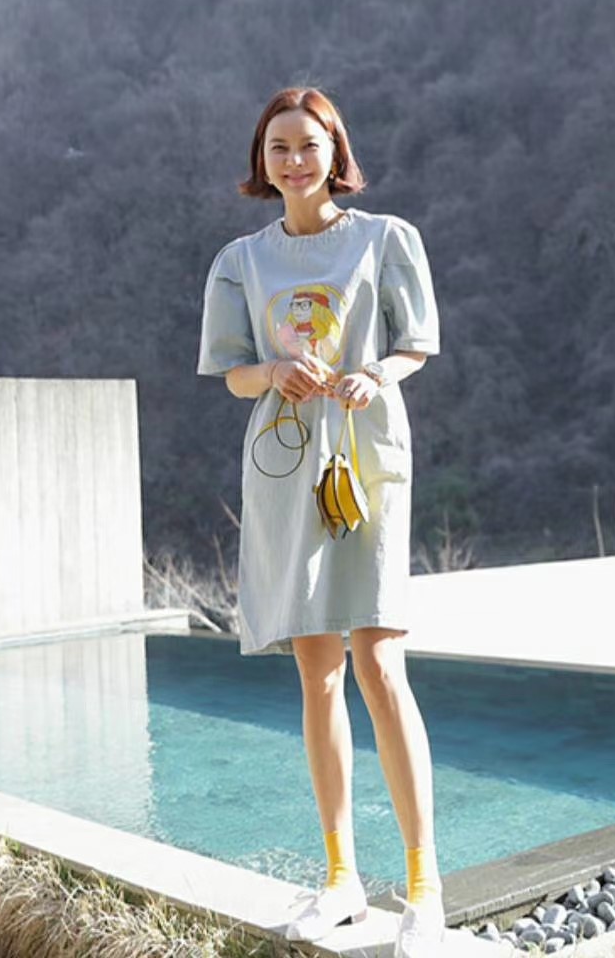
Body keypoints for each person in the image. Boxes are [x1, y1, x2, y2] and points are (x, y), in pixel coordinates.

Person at [196, 86, 444, 958]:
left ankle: (423, 889)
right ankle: (341, 881)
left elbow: (416, 343)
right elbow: (232, 372)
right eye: (279, 148)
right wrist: (273, 373)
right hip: (285, 466)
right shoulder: (240, 261)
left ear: (336, 152)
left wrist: (376, 373)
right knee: (319, 674)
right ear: (261, 163)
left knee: (379, 661)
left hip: (367, 462)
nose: (295, 161)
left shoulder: (386, 239)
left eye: (308, 145)